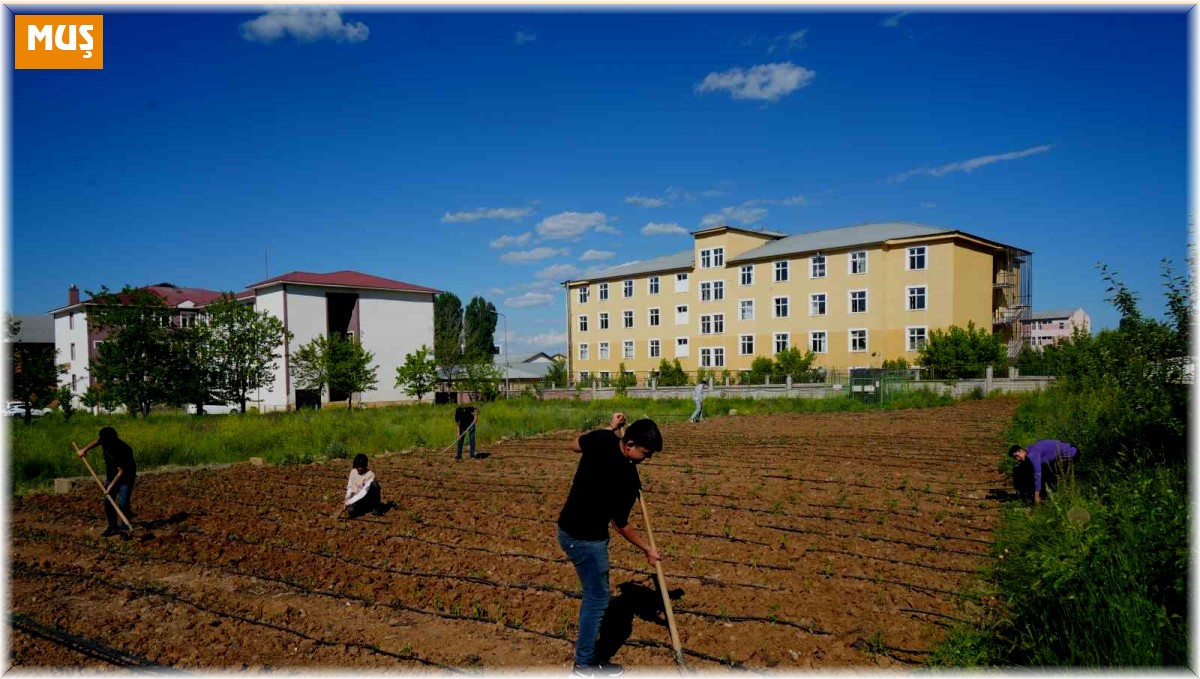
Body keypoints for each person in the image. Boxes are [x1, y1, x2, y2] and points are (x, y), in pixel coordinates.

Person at [557, 412, 664, 676]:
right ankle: (584, 665)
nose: (647, 459)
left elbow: (574, 444)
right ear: (629, 446)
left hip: (567, 529)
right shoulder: (627, 477)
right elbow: (620, 524)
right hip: (587, 540)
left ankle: (586, 661)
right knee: (597, 598)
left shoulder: (603, 439)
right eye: (645, 453)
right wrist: (647, 549)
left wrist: (609, 428)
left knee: (596, 594)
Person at [77, 426, 136, 537]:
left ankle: (124, 529)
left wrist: (109, 487)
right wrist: (84, 449)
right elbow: (96, 442)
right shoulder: (105, 441)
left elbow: (121, 471)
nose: (103, 443)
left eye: (105, 441)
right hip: (111, 475)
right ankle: (112, 527)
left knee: (123, 502)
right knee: (108, 502)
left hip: (126, 477)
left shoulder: (123, 449)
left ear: (113, 439)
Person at [1010, 440, 1079, 504]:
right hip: (1070, 449)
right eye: (1014, 458)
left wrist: (1036, 494)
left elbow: (1037, 473)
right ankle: (1046, 494)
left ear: (1021, 451)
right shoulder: (1029, 449)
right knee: (1047, 472)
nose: (1017, 459)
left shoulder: (1032, 455)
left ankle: (1055, 498)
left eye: (1016, 456)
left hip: (1071, 453)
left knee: (1053, 477)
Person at [344, 453, 386, 518]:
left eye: (360, 467)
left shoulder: (370, 475)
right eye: (357, 466)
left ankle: (376, 507)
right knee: (351, 511)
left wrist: (349, 502)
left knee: (374, 484)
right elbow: (350, 487)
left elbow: (363, 492)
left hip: (367, 498)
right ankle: (363, 508)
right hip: (357, 499)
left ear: (365, 465)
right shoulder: (353, 472)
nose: (359, 469)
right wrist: (346, 500)